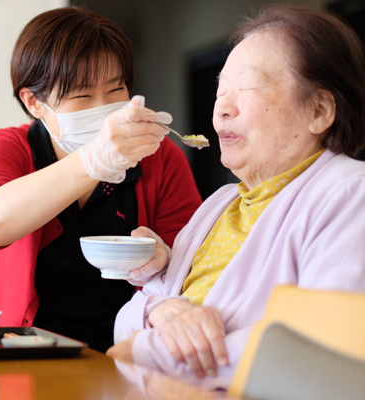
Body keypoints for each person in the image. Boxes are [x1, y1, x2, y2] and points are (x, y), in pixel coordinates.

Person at [108, 5, 365, 389]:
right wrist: (162, 313)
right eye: (220, 91)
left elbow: (318, 343)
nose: (221, 110)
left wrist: (143, 349)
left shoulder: (351, 192)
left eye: (246, 89)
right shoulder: (221, 202)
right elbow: (132, 313)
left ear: (319, 109)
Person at [0, 7, 202, 352]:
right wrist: (94, 160)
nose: (104, 107)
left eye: (116, 89)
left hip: (125, 350)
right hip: (16, 350)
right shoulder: (7, 148)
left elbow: (191, 266)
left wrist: (162, 257)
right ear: (34, 102)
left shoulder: (160, 158)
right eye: (82, 96)